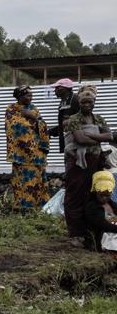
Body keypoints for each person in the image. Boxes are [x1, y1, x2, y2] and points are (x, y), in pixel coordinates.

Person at [63, 85, 112, 247]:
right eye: (83, 102)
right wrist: (99, 137)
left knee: (92, 195)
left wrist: (91, 135)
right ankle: (76, 234)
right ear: (79, 102)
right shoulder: (74, 119)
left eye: (89, 102)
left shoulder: (99, 118)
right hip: (78, 162)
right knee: (75, 195)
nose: (86, 104)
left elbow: (110, 136)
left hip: (96, 161)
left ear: (94, 102)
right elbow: (80, 140)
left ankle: (91, 231)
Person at [4, 84, 51, 212]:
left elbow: (43, 126)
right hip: (20, 154)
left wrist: (32, 117)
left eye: (31, 94)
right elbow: (12, 127)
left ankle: (39, 208)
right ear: (20, 96)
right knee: (21, 181)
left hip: (36, 153)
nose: (31, 97)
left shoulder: (34, 109)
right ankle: (22, 207)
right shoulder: (11, 109)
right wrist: (27, 121)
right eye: (27, 95)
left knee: (37, 180)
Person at [84, 170, 117, 251]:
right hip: (101, 238)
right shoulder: (92, 207)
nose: (104, 198)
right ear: (96, 192)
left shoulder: (113, 205)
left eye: (107, 195)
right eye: (101, 195)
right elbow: (103, 225)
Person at [48, 78, 81, 156]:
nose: (54, 90)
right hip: (68, 142)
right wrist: (50, 132)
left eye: (57, 88)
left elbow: (82, 119)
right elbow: (62, 124)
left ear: (64, 89)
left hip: (77, 142)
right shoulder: (64, 102)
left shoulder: (76, 99)